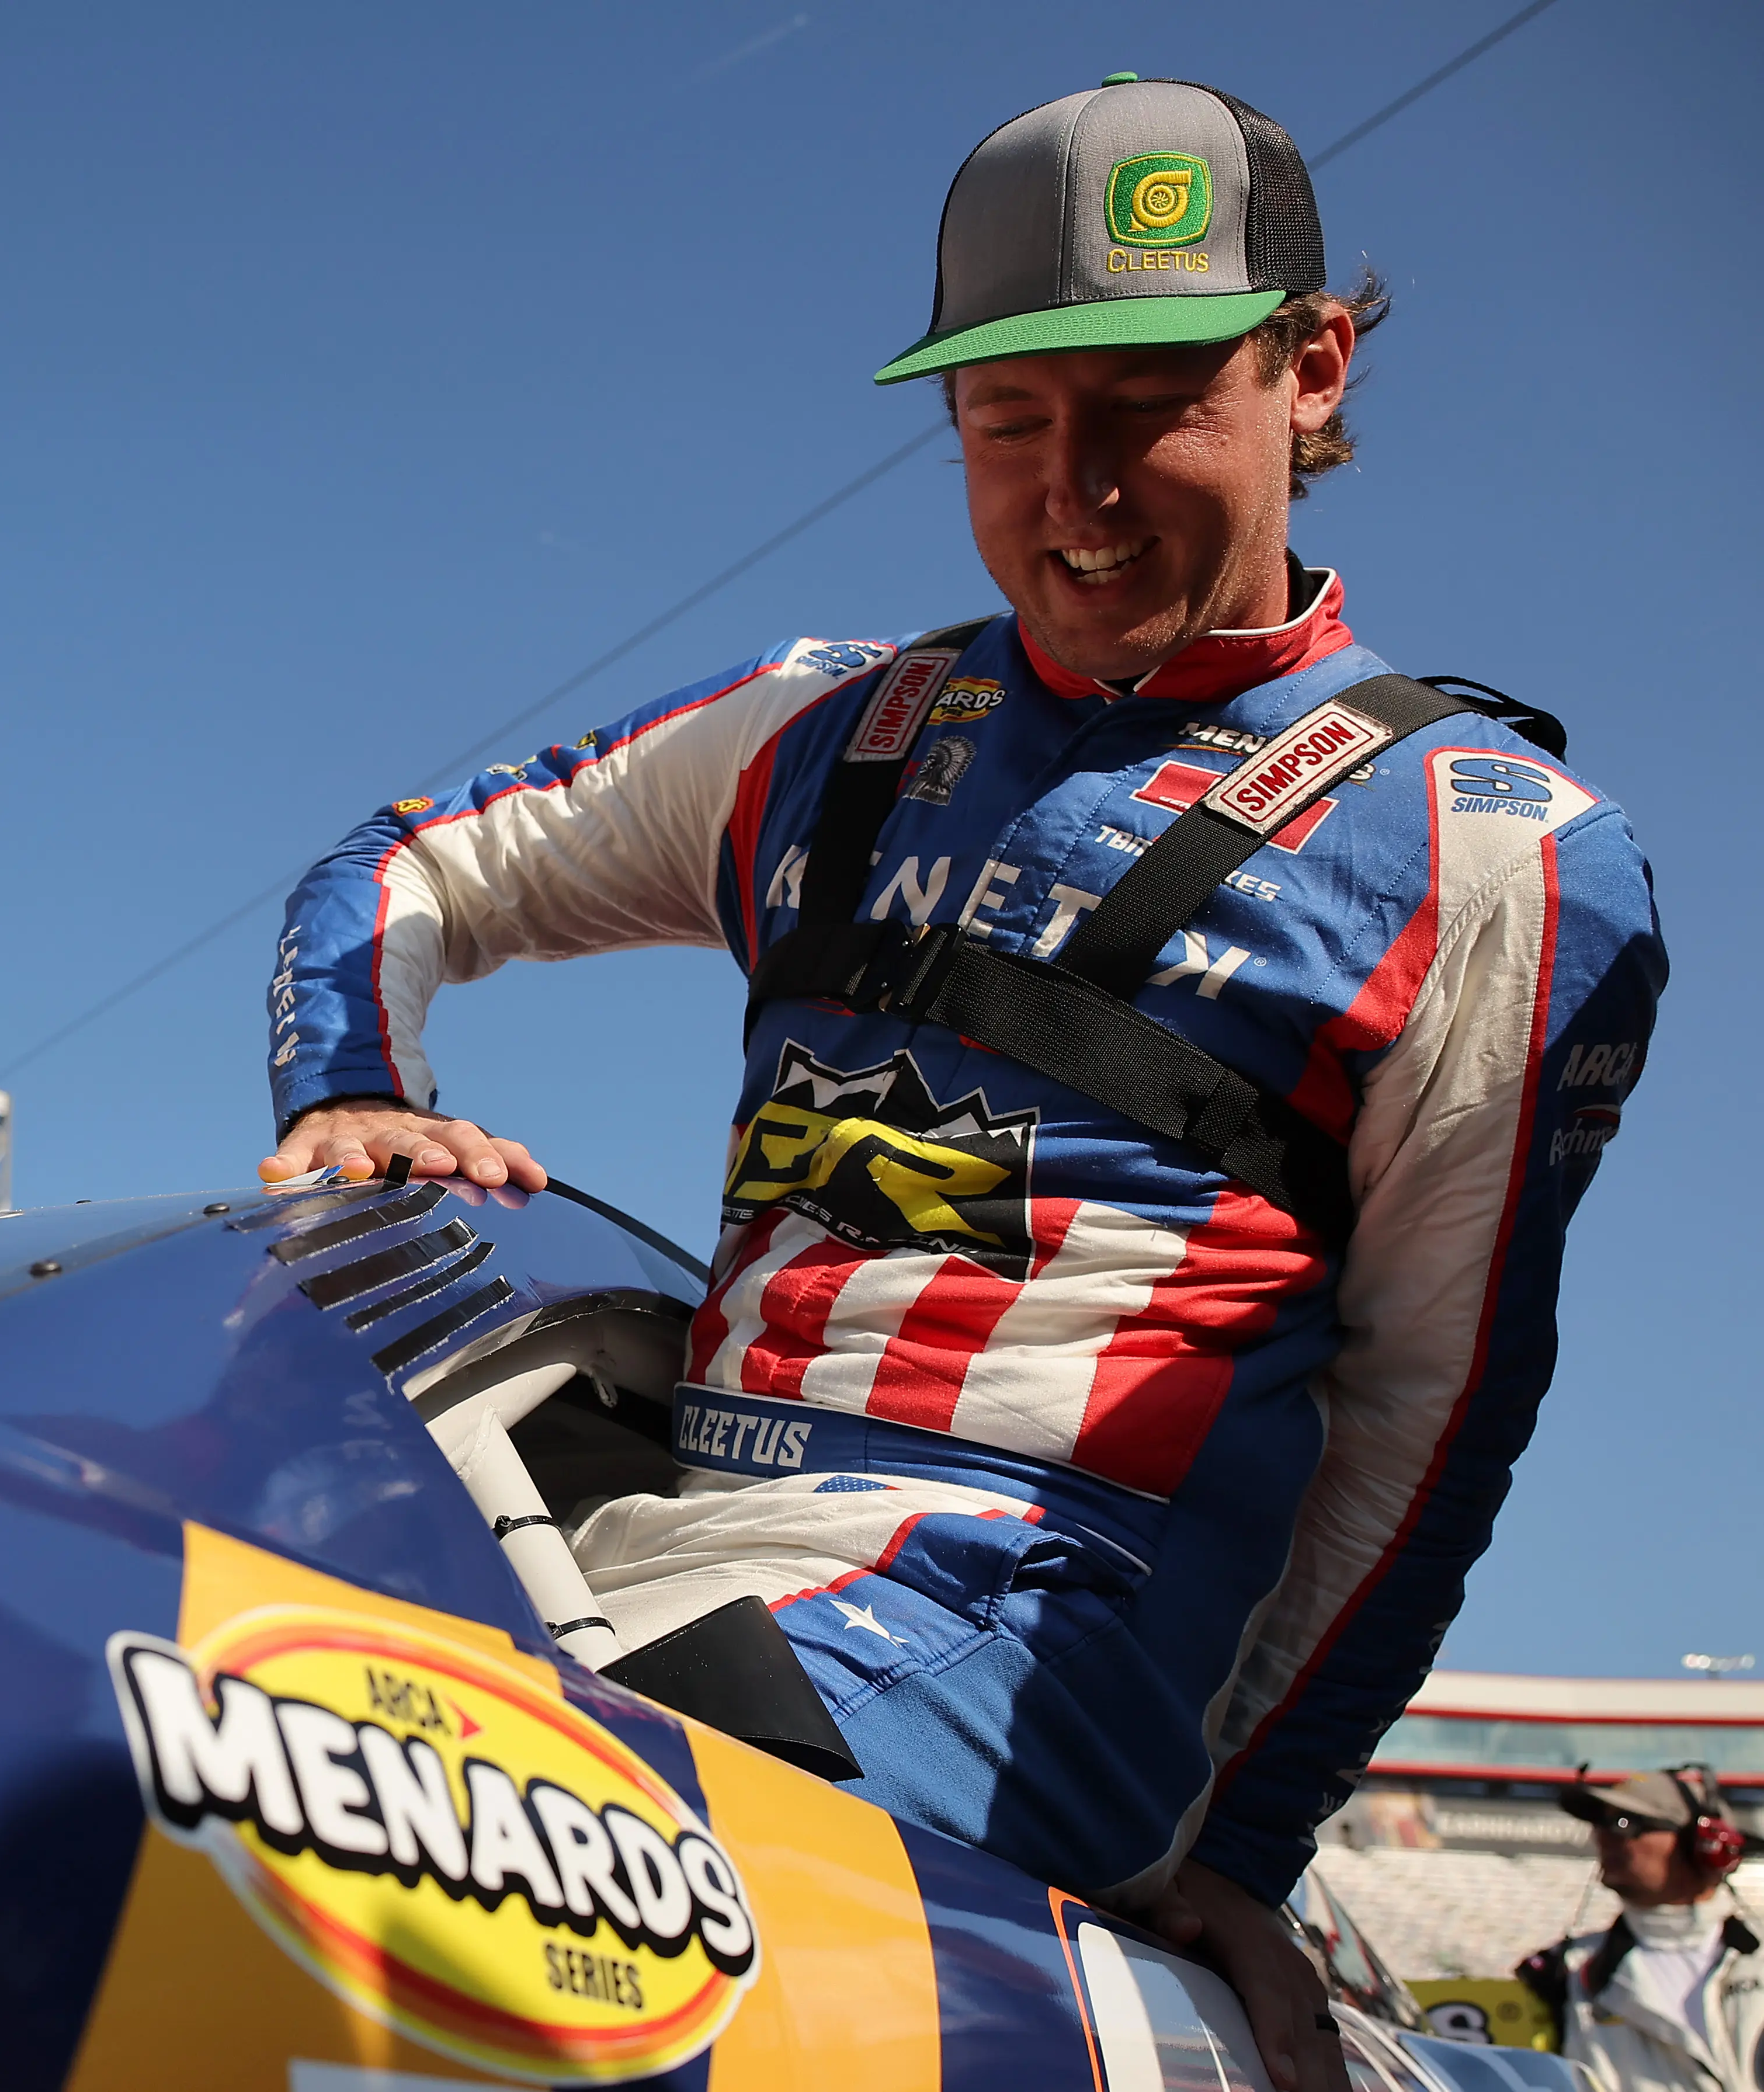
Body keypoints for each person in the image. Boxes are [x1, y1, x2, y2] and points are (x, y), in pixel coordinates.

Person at [258, 74, 1665, 2092]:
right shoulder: (824, 720)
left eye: (1142, 405)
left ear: (1310, 366)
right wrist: (353, 1077)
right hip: (655, 1526)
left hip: (1018, 1625)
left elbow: (1435, 1411)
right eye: (1007, 419)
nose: (1069, 487)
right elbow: (399, 866)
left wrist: (1239, 1847)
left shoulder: (1494, 848)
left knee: (431, 1867)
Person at [1517, 1769, 1762, 2091]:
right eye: (1600, 1825)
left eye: (1625, 1824)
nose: (1604, 1838)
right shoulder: (1561, 1972)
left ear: (1706, 1845)